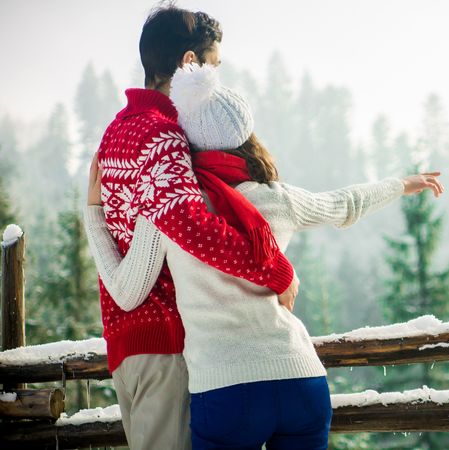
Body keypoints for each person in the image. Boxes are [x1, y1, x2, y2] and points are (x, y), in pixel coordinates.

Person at [84, 62, 444, 449]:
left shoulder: (171, 211)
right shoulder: (279, 198)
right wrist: (400, 184)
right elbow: (345, 203)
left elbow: (126, 290)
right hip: (299, 378)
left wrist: (93, 211)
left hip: (225, 390)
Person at [85, 6, 298, 450]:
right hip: (167, 347)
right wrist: (275, 271)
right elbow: (194, 228)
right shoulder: (163, 136)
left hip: (130, 349)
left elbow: (122, 231)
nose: (216, 80)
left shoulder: (118, 132)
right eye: (214, 66)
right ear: (188, 63)